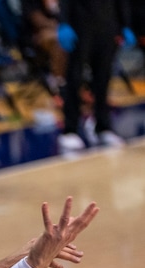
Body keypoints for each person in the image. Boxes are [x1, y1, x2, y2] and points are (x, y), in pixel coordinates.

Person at [56, 0, 135, 153]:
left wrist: (125, 24)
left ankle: (103, 126)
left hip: (108, 24)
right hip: (80, 24)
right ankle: (70, 129)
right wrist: (64, 22)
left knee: (103, 78)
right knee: (75, 77)